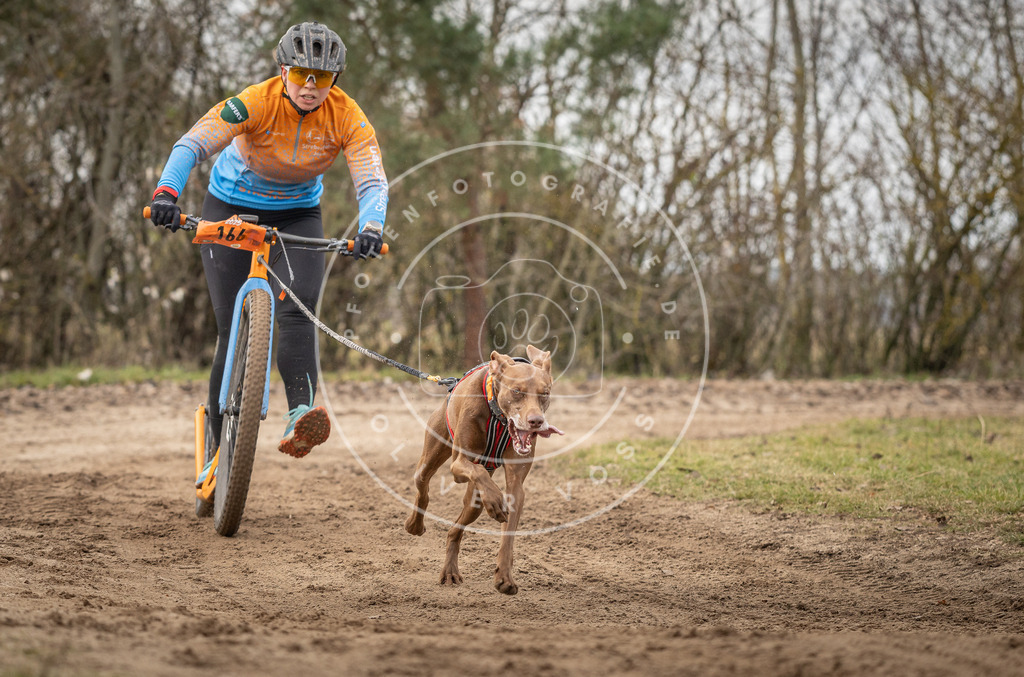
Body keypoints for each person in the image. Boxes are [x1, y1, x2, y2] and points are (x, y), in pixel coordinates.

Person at [148, 21, 388, 464]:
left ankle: (300, 414)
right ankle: (216, 447)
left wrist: (371, 228)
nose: (311, 87)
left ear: (336, 81)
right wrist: (167, 193)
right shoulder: (254, 102)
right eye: (301, 75)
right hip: (230, 207)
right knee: (227, 329)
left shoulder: (348, 116)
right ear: (282, 71)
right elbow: (192, 144)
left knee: (298, 310)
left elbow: (371, 180)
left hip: (299, 214)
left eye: (324, 78)